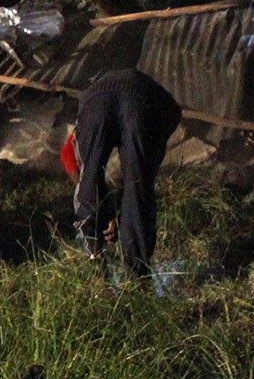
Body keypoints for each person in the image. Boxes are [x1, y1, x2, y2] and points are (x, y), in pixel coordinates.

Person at [70, 69, 183, 290]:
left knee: (90, 177)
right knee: (138, 187)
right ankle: (137, 275)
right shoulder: (165, 111)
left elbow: (87, 175)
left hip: (98, 103)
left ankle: (94, 260)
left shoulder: (90, 102)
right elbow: (139, 177)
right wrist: (113, 214)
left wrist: (103, 213)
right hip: (142, 102)